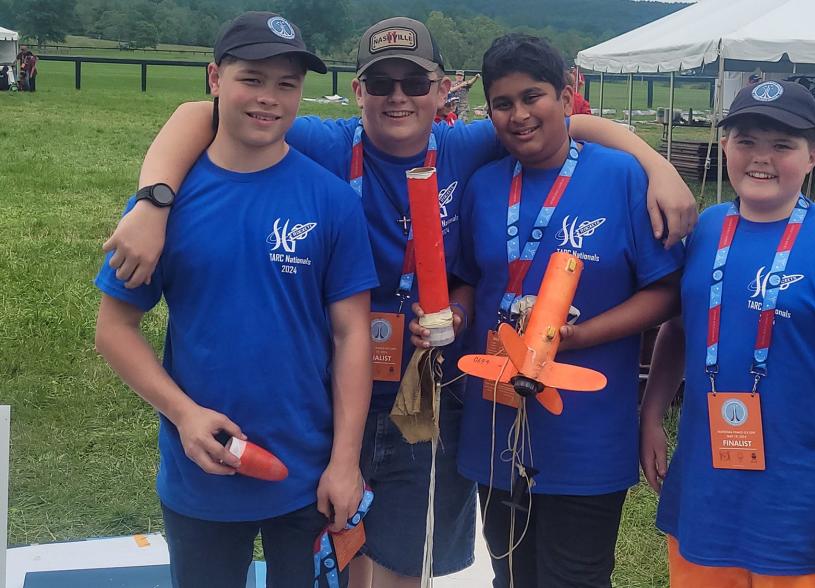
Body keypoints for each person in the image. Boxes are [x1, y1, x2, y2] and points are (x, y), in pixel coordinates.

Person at [99, 16, 698, 587]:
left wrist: (655, 165)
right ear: (358, 90)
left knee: (406, 558)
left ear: (442, 91)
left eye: (415, 82)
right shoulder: (323, 142)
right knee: (343, 545)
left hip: (433, 398)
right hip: (334, 397)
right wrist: (153, 201)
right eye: (381, 83)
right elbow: (197, 115)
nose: (398, 97)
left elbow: (563, 123)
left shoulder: (465, 148)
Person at [93, 12, 377, 587]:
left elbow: (352, 336)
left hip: (309, 475)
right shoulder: (161, 207)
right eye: (252, 78)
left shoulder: (330, 200)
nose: (269, 99)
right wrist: (184, 414)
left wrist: (344, 461)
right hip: (202, 473)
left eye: (286, 84)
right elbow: (114, 329)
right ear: (215, 78)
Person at [410, 34, 683, 588]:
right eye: (503, 104)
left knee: (576, 577)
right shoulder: (484, 185)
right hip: (496, 418)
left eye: (532, 97)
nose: (519, 115)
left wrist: (581, 336)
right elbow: (466, 279)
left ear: (567, 95)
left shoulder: (623, 177)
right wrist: (455, 318)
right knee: (511, 574)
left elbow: (667, 292)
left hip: (588, 427)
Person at [641, 81, 815, 587]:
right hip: (705, 496)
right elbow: (677, 330)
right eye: (746, 141)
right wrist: (651, 416)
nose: (761, 158)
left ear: (814, 156)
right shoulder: (704, 231)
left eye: (782, 145)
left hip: (801, 506)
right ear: (725, 147)